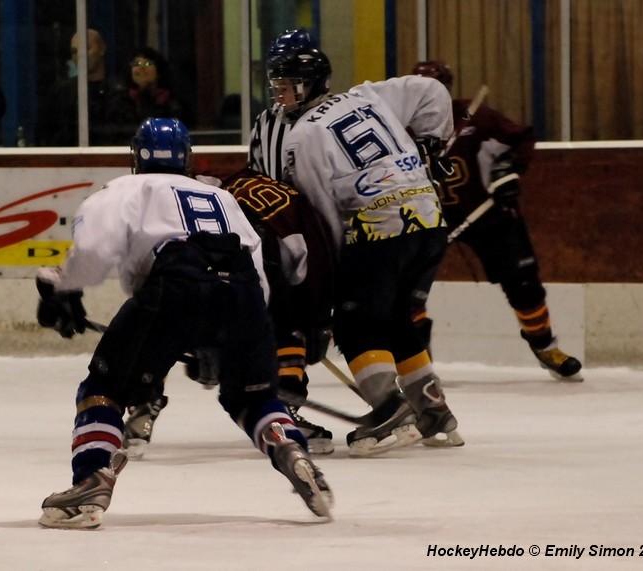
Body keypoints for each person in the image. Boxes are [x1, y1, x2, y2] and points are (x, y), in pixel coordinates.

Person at [35, 118, 333, 529]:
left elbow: (91, 252)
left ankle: (90, 479)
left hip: (175, 284)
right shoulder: (220, 197)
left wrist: (61, 289)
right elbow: (258, 273)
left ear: (136, 155)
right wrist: (222, 335)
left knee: (104, 387)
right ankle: (290, 448)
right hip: (244, 292)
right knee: (253, 398)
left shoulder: (124, 189)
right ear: (186, 157)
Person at [263, 30, 463, 456]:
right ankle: (435, 412)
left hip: (379, 229)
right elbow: (431, 90)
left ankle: (390, 413)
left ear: (311, 84)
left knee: (356, 324)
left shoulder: (303, 137)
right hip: (429, 218)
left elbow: (323, 214)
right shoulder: (370, 96)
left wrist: (330, 280)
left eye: (287, 86)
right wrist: (432, 141)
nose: (280, 95)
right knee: (396, 317)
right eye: (276, 87)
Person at [122, 168, 338, 456]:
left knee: (157, 324)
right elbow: (272, 270)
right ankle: (283, 411)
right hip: (243, 281)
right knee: (286, 324)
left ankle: (143, 404)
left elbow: (142, 272)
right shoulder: (230, 196)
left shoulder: (148, 201)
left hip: (191, 281)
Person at [411, 61, 583, 381]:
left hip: (484, 212)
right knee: (406, 290)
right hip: (425, 218)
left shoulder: (476, 118)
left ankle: (544, 345)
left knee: (522, 279)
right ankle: (417, 367)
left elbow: (520, 138)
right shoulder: (398, 127)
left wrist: (507, 173)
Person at [38, 28, 127, 146]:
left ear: (102, 49)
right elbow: (46, 135)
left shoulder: (119, 92)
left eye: (86, 48)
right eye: (75, 51)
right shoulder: (61, 92)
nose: (80, 55)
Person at [107, 47, 185, 128]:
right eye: (137, 64)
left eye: (148, 64)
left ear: (159, 72)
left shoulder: (172, 103)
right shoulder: (120, 102)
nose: (142, 68)